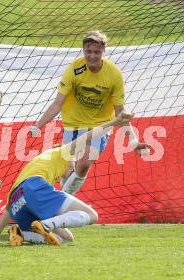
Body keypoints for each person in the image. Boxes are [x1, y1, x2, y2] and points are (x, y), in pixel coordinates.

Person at [30, 30, 150, 195]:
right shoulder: (74, 68)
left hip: (100, 126)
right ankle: (63, 201)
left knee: (84, 163)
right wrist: (38, 125)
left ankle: (59, 202)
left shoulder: (114, 74)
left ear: (103, 51)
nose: (92, 56)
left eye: (96, 52)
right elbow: (58, 103)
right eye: (88, 51)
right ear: (83, 50)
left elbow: (120, 112)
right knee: (66, 169)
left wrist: (134, 142)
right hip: (72, 123)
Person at [0, 112, 135, 246]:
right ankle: (47, 225)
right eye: (74, 162)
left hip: (18, 200)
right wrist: (115, 122)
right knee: (92, 215)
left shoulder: (42, 166)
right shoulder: (63, 153)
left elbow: (7, 211)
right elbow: (88, 136)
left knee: (67, 238)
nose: (74, 167)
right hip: (34, 188)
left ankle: (20, 234)